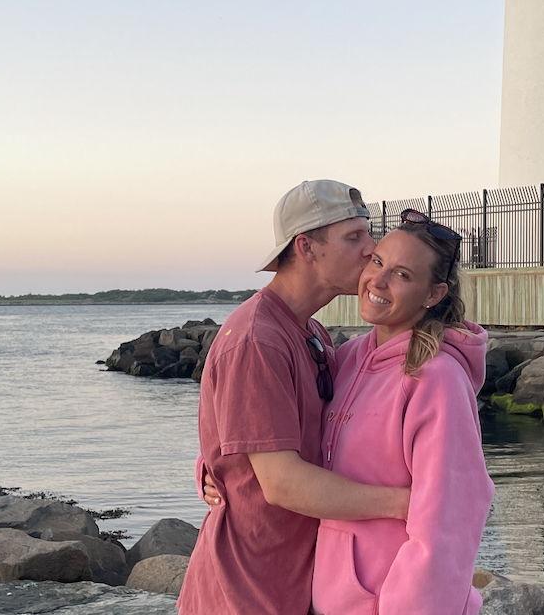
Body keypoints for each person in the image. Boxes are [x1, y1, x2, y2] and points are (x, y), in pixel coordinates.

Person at [177, 180, 411, 615]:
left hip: (296, 582)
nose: (370, 249)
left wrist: (217, 461)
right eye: (354, 236)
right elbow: (282, 483)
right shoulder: (257, 340)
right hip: (247, 591)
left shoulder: (311, 334)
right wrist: (409, 504)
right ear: (306, 247)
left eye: (369, 233)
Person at [310, 209, 494, 615]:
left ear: (433, 295)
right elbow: (286, 427)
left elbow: (447, 523)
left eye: (403, 274)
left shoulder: (437, 380)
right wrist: (222, 467)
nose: (377, 280)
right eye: (377, 261)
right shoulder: (348, 358)